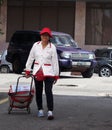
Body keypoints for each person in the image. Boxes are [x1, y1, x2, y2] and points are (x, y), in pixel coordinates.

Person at [25, 27, 59, 120]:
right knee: (38, 91)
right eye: (43, 35)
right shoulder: (36, 45)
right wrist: (28, 69)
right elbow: (30, 57)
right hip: (37, 71)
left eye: (47, 35)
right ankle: (40, 109)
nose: (45, 37)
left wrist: (56, 75)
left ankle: (50, 111)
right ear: (40, 36)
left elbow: (55, 62)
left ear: (49, 37)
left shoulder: (52, 47)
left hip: (49, 72)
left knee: (48, 91)